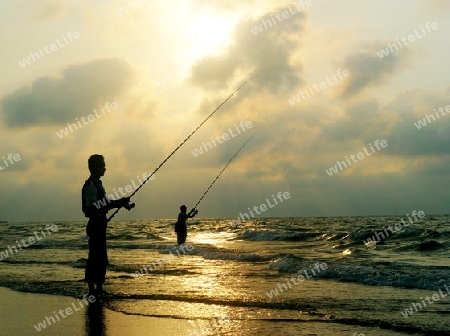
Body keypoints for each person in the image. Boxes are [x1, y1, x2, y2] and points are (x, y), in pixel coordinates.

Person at [82, 154, 132, 296]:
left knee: (100, 256)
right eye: (103, 165)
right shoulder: (90, 186)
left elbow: (106, 203)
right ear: (96, 168)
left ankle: (98, 288)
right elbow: (95, 207)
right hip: (95, 224)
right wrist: (118, 202)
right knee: (95, 257)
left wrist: (121, 203)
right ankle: (92, 290)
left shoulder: (98, 184)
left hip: (100, 224)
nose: (105, 168)